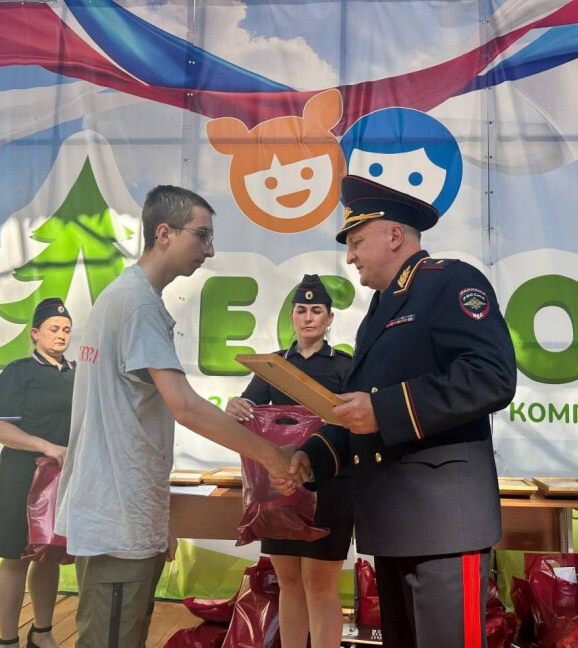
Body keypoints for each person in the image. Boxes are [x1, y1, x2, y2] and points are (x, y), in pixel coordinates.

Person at [55, 185, 297, 648]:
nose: (210, 250)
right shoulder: (138, 304)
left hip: (125, 513)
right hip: (118, 520)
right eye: (201, 235)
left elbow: (132, 420)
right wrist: (271, 455)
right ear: (163, 233)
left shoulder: (128, 297)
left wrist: (158, 517)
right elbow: (184, 406)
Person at [286, 175, 517, 648]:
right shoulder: (378, 310)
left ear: (394, 235)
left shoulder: (451, 281)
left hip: (444, 526)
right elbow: (358, 408)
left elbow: (491, 375)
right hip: (393, 524)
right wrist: (314, 454)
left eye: (356, 242)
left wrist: (384, 409)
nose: (350, 257)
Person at [226, 274, 353, 648]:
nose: (308, 317)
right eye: (301, 310)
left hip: (330, 487)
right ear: (292, 316)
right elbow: (248, 410)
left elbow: (353, 428)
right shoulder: (273, 365)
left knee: (319, 585)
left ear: (330, 318)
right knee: (290, 583)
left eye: (316, 310)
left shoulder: (346, 367)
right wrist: (235, 406)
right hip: (280, 487)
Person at [0, 298, 75, 648]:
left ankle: (43, 633)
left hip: (61, 479)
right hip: (21, 478)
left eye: (66, 330)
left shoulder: (77, 374)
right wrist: (46, 446)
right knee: (14, 558)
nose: (61, 335)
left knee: (48, 556)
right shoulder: (18, 371)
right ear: (35, 333)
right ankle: (7, 640)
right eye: (54, 329)